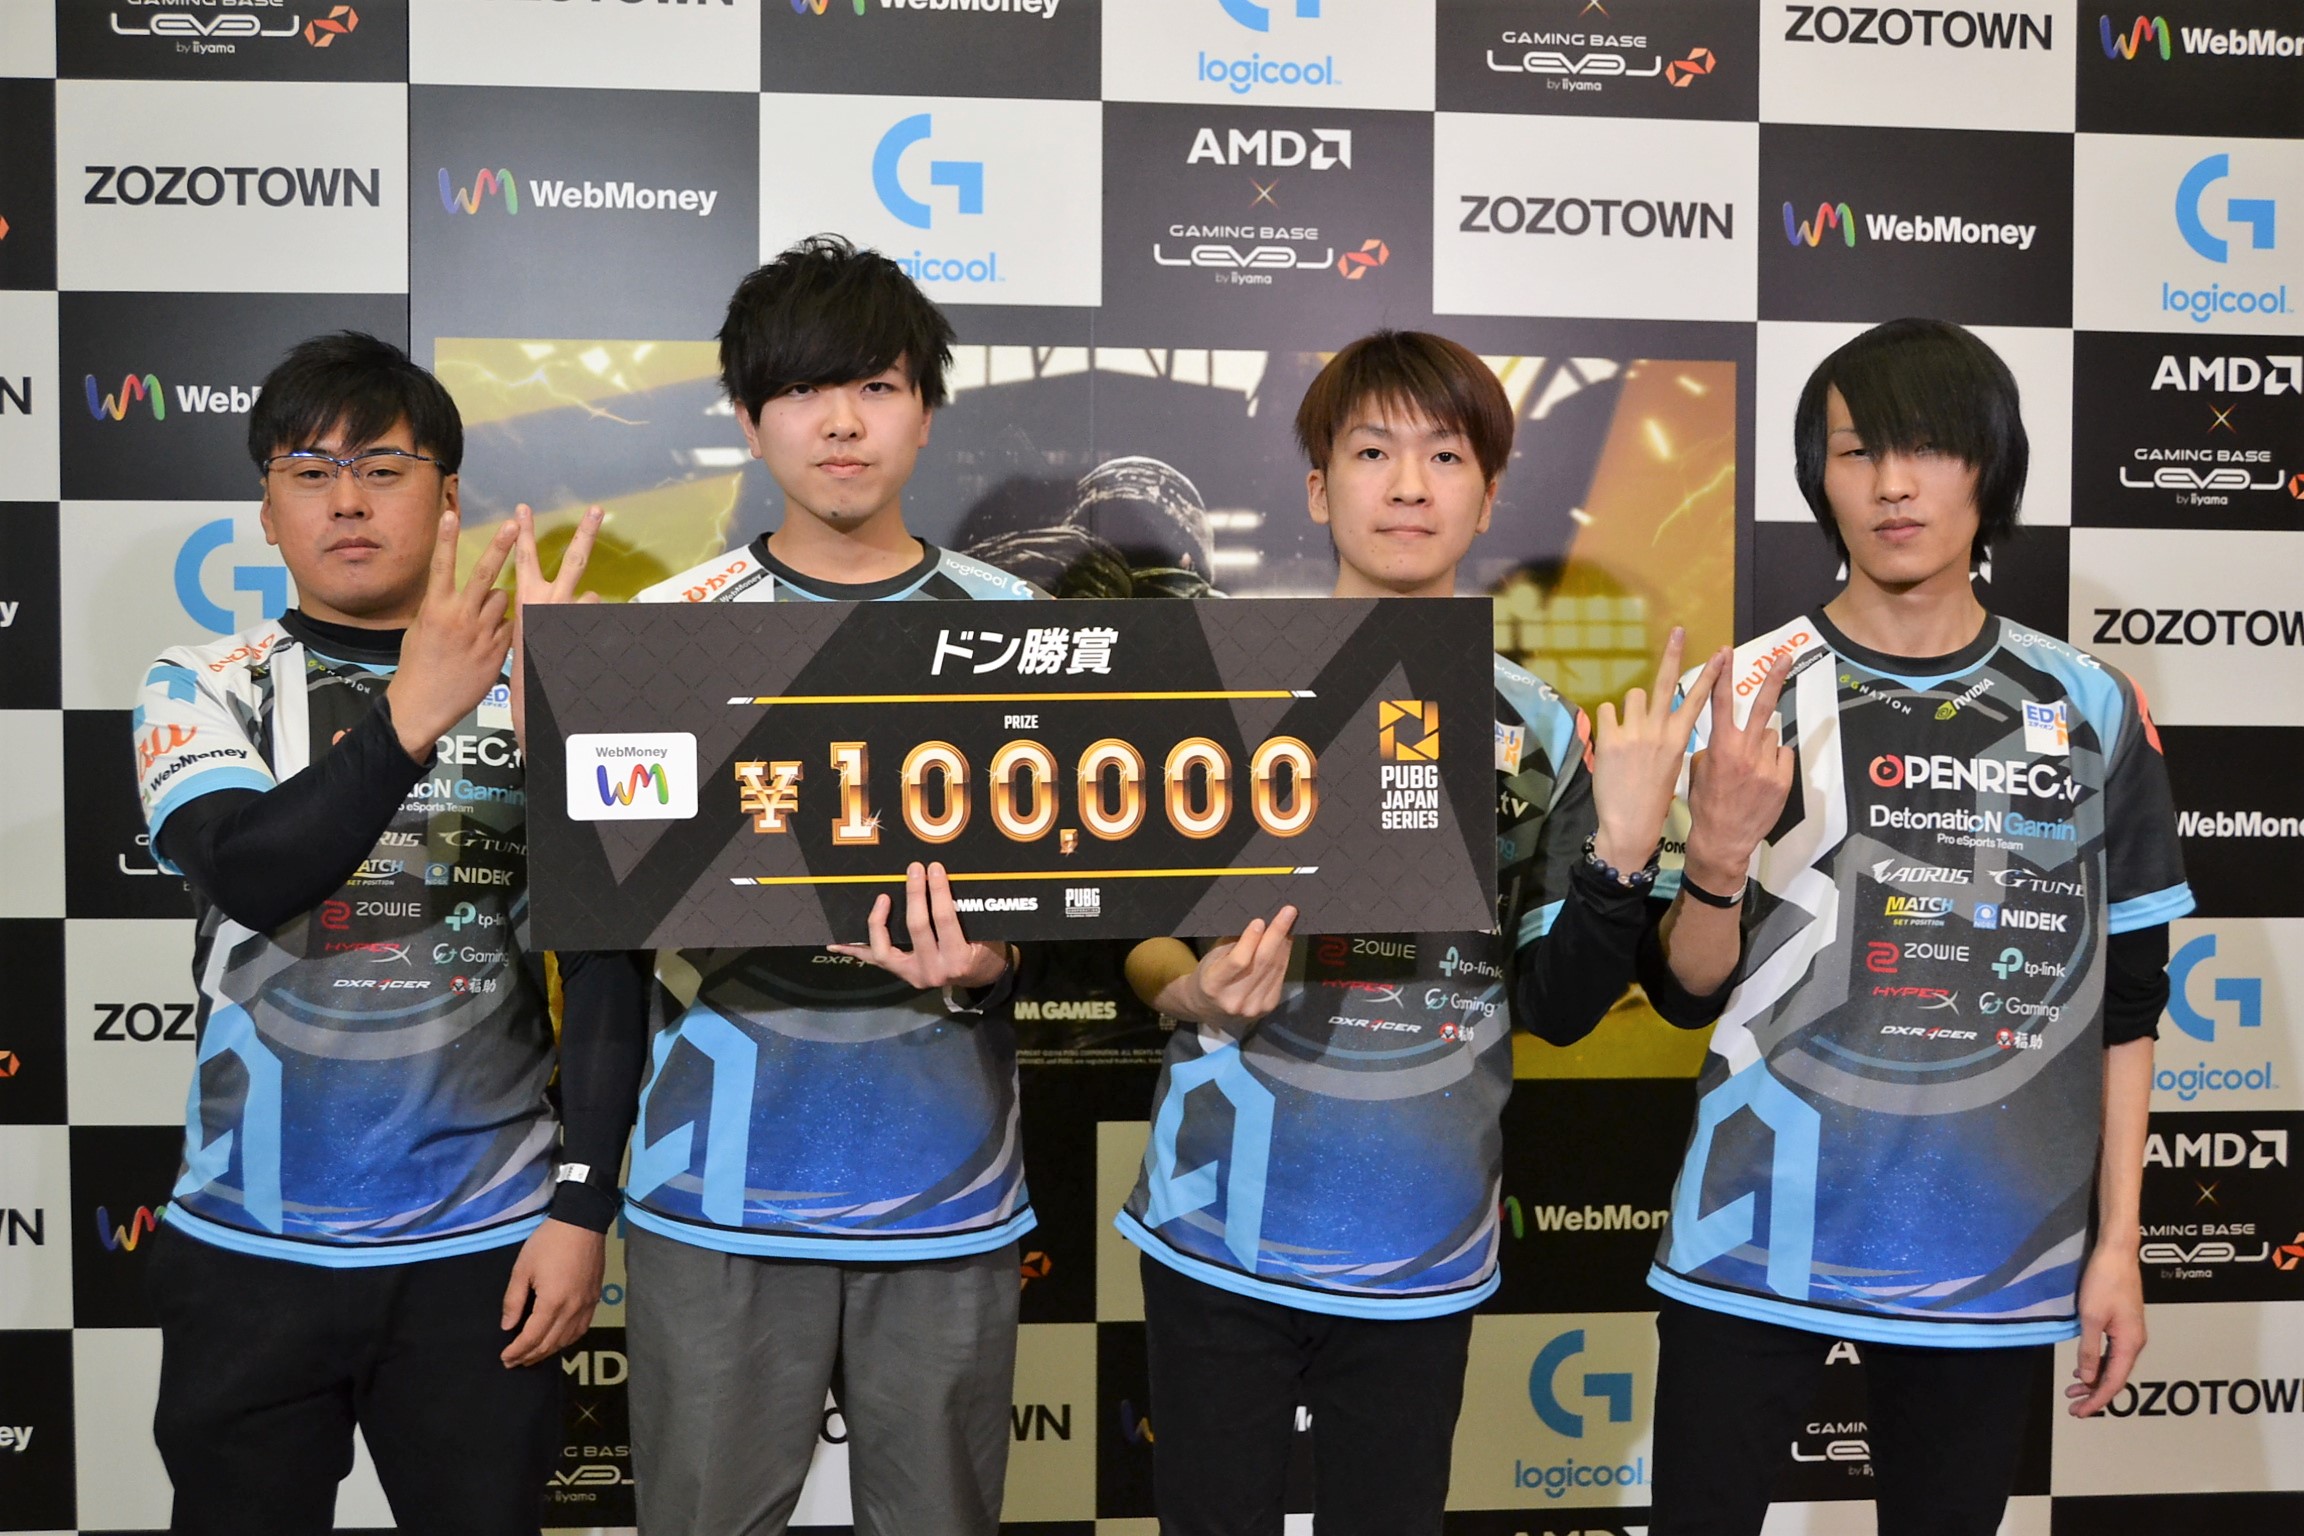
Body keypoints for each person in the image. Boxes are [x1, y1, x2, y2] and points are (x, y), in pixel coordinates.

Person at [1113, 329, 1721, 1536]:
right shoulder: (1221, 687)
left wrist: (1623, 854)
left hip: (1422, 1241)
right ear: (1316, 488)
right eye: (1372, 452)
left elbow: (1554, 1007)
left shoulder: (1540, 726)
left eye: (1445, 456)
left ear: (1488, 494)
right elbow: (1136, 941)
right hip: (1215, 1223)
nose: (1406, 486)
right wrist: (1191, 993)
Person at [1636, 318, 2191, 1535]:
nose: (1893, 484)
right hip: (1752, 1232)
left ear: (1990, 466)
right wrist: (1716, 857)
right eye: (1857, 452)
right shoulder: (1739, 694)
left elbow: (2131, 1002)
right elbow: (1681, 992)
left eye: (1929, 447)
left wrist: (2119, 1244)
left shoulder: (2089, 703)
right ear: (1818, 478)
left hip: (1989, 1249)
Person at [537, 235, 1042, 1536]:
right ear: (748, 415)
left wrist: (993, 966)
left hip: (947, 1196)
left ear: (925, 410)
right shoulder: (660, 637)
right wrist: (559, 746)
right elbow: (606, 940)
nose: (842, 422)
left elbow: (1094, 907)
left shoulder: (1020, 634)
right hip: (715, 1204)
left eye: (876, 385)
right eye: (805, 389)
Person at [130, 332, 630, 1536]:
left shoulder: (544, 682)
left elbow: (608, 960)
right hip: (249, 1242)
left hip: (487, 1248)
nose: (346, 501)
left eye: (384, 469)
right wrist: (415, 711)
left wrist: (582, 1210)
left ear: (449, 496)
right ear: (267, 511)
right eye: (309, 472)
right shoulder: (202, 681)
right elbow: (252, 872)